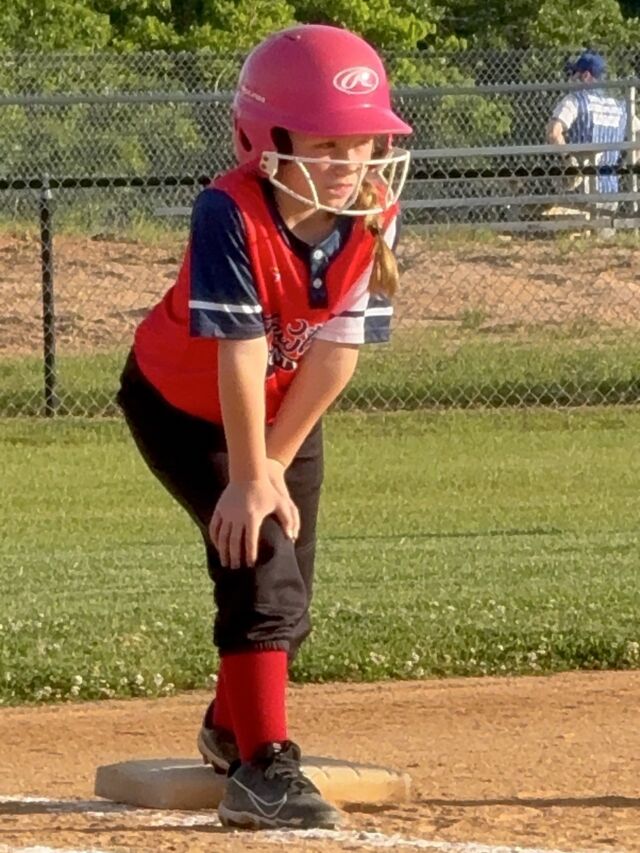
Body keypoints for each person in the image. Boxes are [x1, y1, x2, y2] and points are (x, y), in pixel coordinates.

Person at [116, 23, 412, 831]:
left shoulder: (373, 209)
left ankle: (230, 725)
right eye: (325, 142)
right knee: (260, 559)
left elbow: (337, 353)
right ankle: (260, 768)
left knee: (292, 595)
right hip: (185, 405)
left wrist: (273, 462)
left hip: (284, 410)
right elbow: (239, 352)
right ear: (265, 140)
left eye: (361, 142)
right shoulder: (228, 211)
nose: (349, 161)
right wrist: (248, 477)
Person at [546, 50, 626, 211]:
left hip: (581, 191)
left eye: (574, 73)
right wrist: (624, 165)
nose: (570, 79)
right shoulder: (619, 106)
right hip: (610, 190)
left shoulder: (575, 100)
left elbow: (553, 132)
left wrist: (569, 159)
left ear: (586, 76)